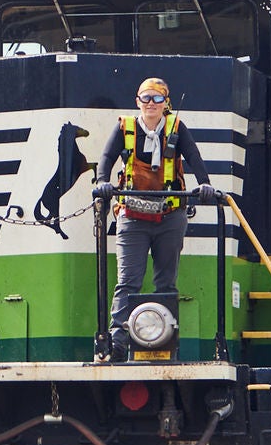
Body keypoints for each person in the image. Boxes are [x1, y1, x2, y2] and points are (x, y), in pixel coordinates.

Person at [92, 77, 219, 361]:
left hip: (170, 216)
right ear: (137, 101)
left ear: (166, 103)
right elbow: (106, 158)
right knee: (128, 282)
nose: (151, 104)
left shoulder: (177, 128)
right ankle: (117, 344)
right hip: (132, 218)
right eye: (146, 98)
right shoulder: (124, 128)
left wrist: (205, 184)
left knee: (166, 283)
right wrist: (102, 183)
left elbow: (195, 158)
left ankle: (165, 345)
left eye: (157, 99)